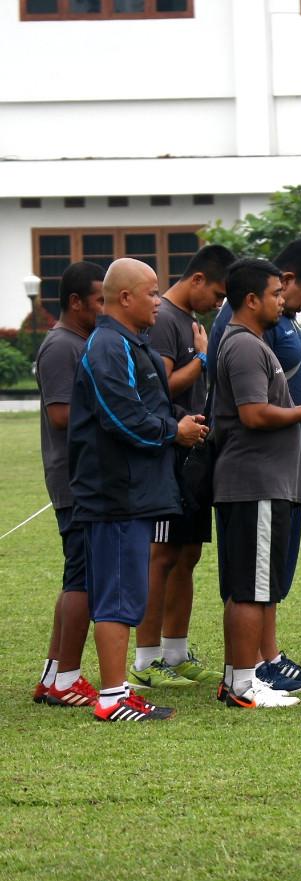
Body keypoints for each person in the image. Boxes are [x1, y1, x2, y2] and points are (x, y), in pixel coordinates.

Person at [69, 258, 208, 721]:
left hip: (137, 492)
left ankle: (119, 691)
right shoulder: (107, 346)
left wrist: (179, 423)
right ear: (125, 297)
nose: (158, 301)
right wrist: (174, 432)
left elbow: (148, 406)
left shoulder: (133, 343)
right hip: (115, 495)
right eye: (151, 293)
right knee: (115, 596)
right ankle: (112, 697)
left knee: (127, 592)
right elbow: (121, 418)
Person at [207, 237, 301, 692]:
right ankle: (248, 678)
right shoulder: (244, 343)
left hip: (271, 476)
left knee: (258, 582)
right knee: (252, 586)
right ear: (251, 299)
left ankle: (249, 673)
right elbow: (253, 413)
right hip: (256, 478)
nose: (284, 301)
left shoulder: (257, 339)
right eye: (277, 293)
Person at [135, 243, 235, 689]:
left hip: (195, 454)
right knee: (161, 555)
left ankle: (176, 653)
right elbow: (160, 388)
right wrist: (202, 358)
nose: (219, 303)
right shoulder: (163, 321)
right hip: (167, 455)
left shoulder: (191, 320)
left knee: (188, 553)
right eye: (217, 293)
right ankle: (145, 661)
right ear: (196, 279)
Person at [32, 261, 104, 708]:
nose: (105, 308)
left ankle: (54, 675)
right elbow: (61, 414)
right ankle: (66, 680)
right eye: (99, 300)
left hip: (82, 477)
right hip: (76, 479)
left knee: (76, 576)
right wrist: (116, 410)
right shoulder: (61, 346)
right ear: (75, 302)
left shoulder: (79, 342)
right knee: (83, 579)